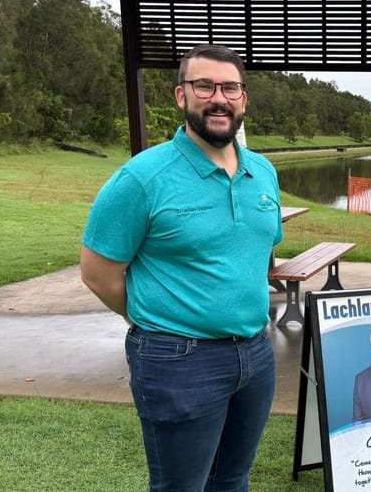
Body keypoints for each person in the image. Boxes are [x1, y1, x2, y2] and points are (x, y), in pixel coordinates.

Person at [80, 44, 283, 491]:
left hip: (255, 353)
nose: (219, 98)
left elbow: (255, 256)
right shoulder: (142, 178)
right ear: (180, 95)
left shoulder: (263, 173)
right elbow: (97, 273)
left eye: (230, 87)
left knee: (232, 479)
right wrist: (157, 323)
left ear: (244, 98)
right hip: (178, 361)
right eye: (204, 85)